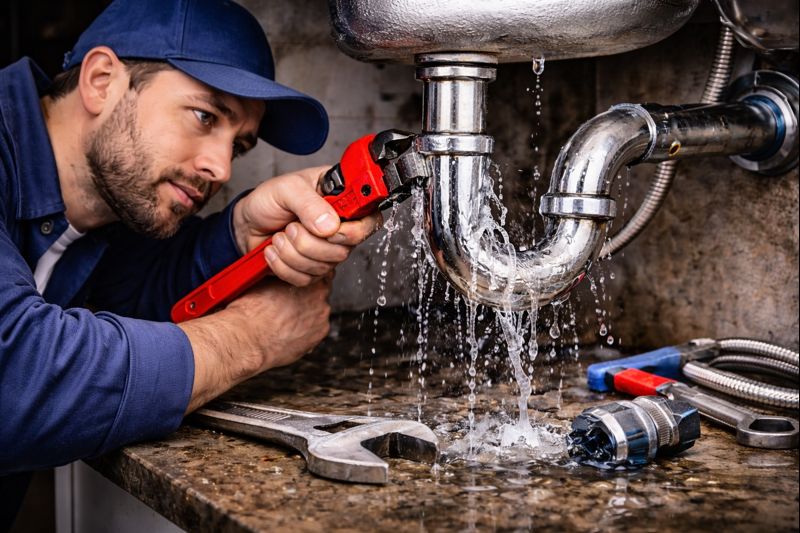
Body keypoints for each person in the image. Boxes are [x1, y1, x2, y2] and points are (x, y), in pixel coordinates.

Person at [0, 0, 380, 523]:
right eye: (205, 117)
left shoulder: (98, 211)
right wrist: (251, 337)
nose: (220, 168)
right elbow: (15, 378)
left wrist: (241, 234)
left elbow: (136, 301)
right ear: (102, 79)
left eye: (239, 145)